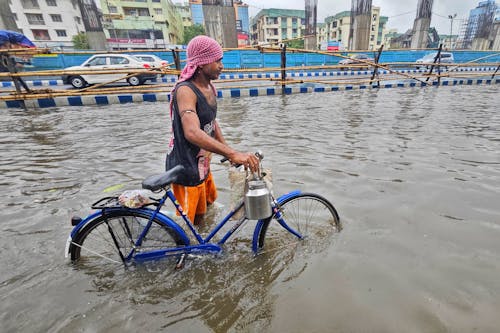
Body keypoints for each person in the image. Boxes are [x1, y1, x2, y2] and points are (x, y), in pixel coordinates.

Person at [166, 35, 259, 225]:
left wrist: (228, 153)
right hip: (185, 168)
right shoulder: (186, 90)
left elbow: (211, 123)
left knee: (206, 211)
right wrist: (233, 153)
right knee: (188, 225)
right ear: (201, 64)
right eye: (217, 60)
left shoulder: (209, 87)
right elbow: (191, 132)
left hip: (202, 165)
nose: (221, 65)